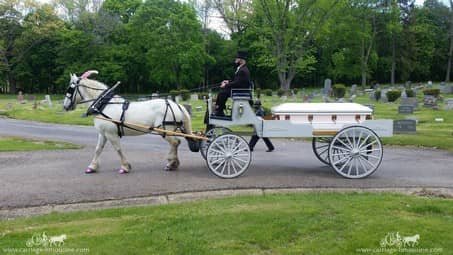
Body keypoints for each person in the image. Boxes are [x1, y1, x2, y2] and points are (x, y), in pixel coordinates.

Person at [213, 50, 251, 116]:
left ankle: (219, 111)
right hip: (239, 89)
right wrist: (227, 81)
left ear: (241, 60)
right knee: (222, 92)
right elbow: (236, 81)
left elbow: (237, 83)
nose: (235, 59)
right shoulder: (241, 69)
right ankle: (219, 110)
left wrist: (226, 85)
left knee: (222, 93)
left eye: (237, 58)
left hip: (241, 91)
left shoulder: (243, 70)